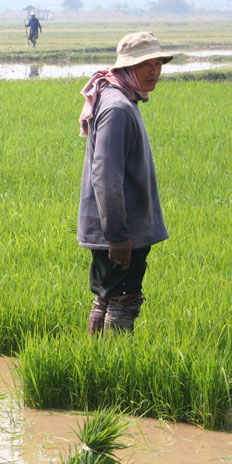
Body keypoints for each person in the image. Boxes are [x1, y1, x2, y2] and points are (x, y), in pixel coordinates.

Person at [77, 31, 172, 334]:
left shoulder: (119, 98)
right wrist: (117, 236)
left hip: (117, 229)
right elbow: (105, 176)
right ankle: (112, 373)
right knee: (123, 300)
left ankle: (96, 365)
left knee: (108, 298)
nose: (154, 71)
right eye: (146, 64)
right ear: (128, 67)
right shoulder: (118, 107)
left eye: (158, 63)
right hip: (120, 230)